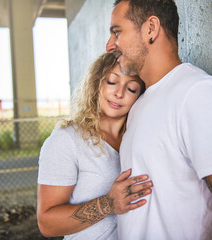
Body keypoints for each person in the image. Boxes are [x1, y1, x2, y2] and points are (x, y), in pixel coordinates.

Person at [106, 0, 212, 239]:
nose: (110, 46)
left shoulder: (198, 93)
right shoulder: (139, 104)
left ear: (151, 28)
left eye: (117, 32)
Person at [37, 53, 152, 240]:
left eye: (131, 88)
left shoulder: (138, 139)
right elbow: (47, 224)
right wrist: (108, 203)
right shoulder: (67, 140)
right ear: (97, 82)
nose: (119, 93)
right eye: (112, 82)